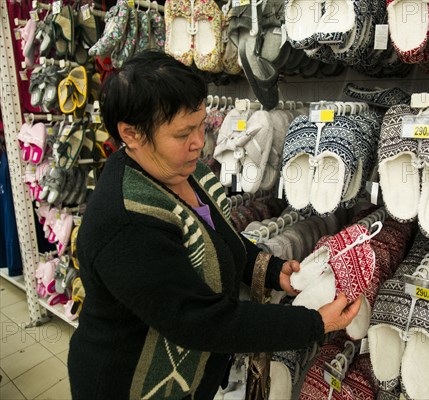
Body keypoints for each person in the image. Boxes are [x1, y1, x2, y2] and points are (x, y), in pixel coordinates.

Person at [68, 51, 361, 400]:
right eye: (183, 133)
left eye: (201, 125)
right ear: (131, 134)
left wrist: (271, 270)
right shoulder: (126, 222)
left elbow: (217, 237)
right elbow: (199, 321)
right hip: (128, 384)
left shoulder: (186, 173)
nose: (198, 142)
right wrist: (313, 323)